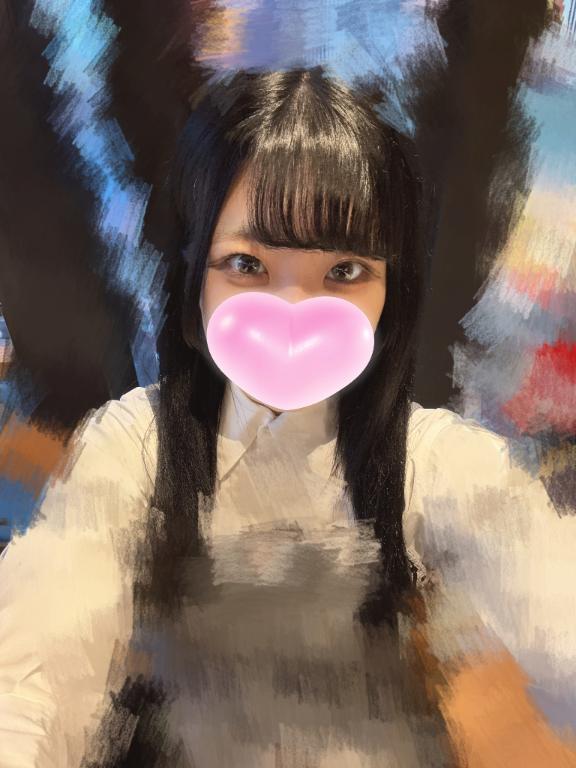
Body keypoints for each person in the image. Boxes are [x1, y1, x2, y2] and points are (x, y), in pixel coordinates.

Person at [0, 66, 575, 768]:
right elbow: (35, 671)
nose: (293, 314)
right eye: (247, 264)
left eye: (344, 272)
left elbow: (550, 601)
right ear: (194, 275)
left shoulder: (437, 461)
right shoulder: (132, 448)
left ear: (391, 292)